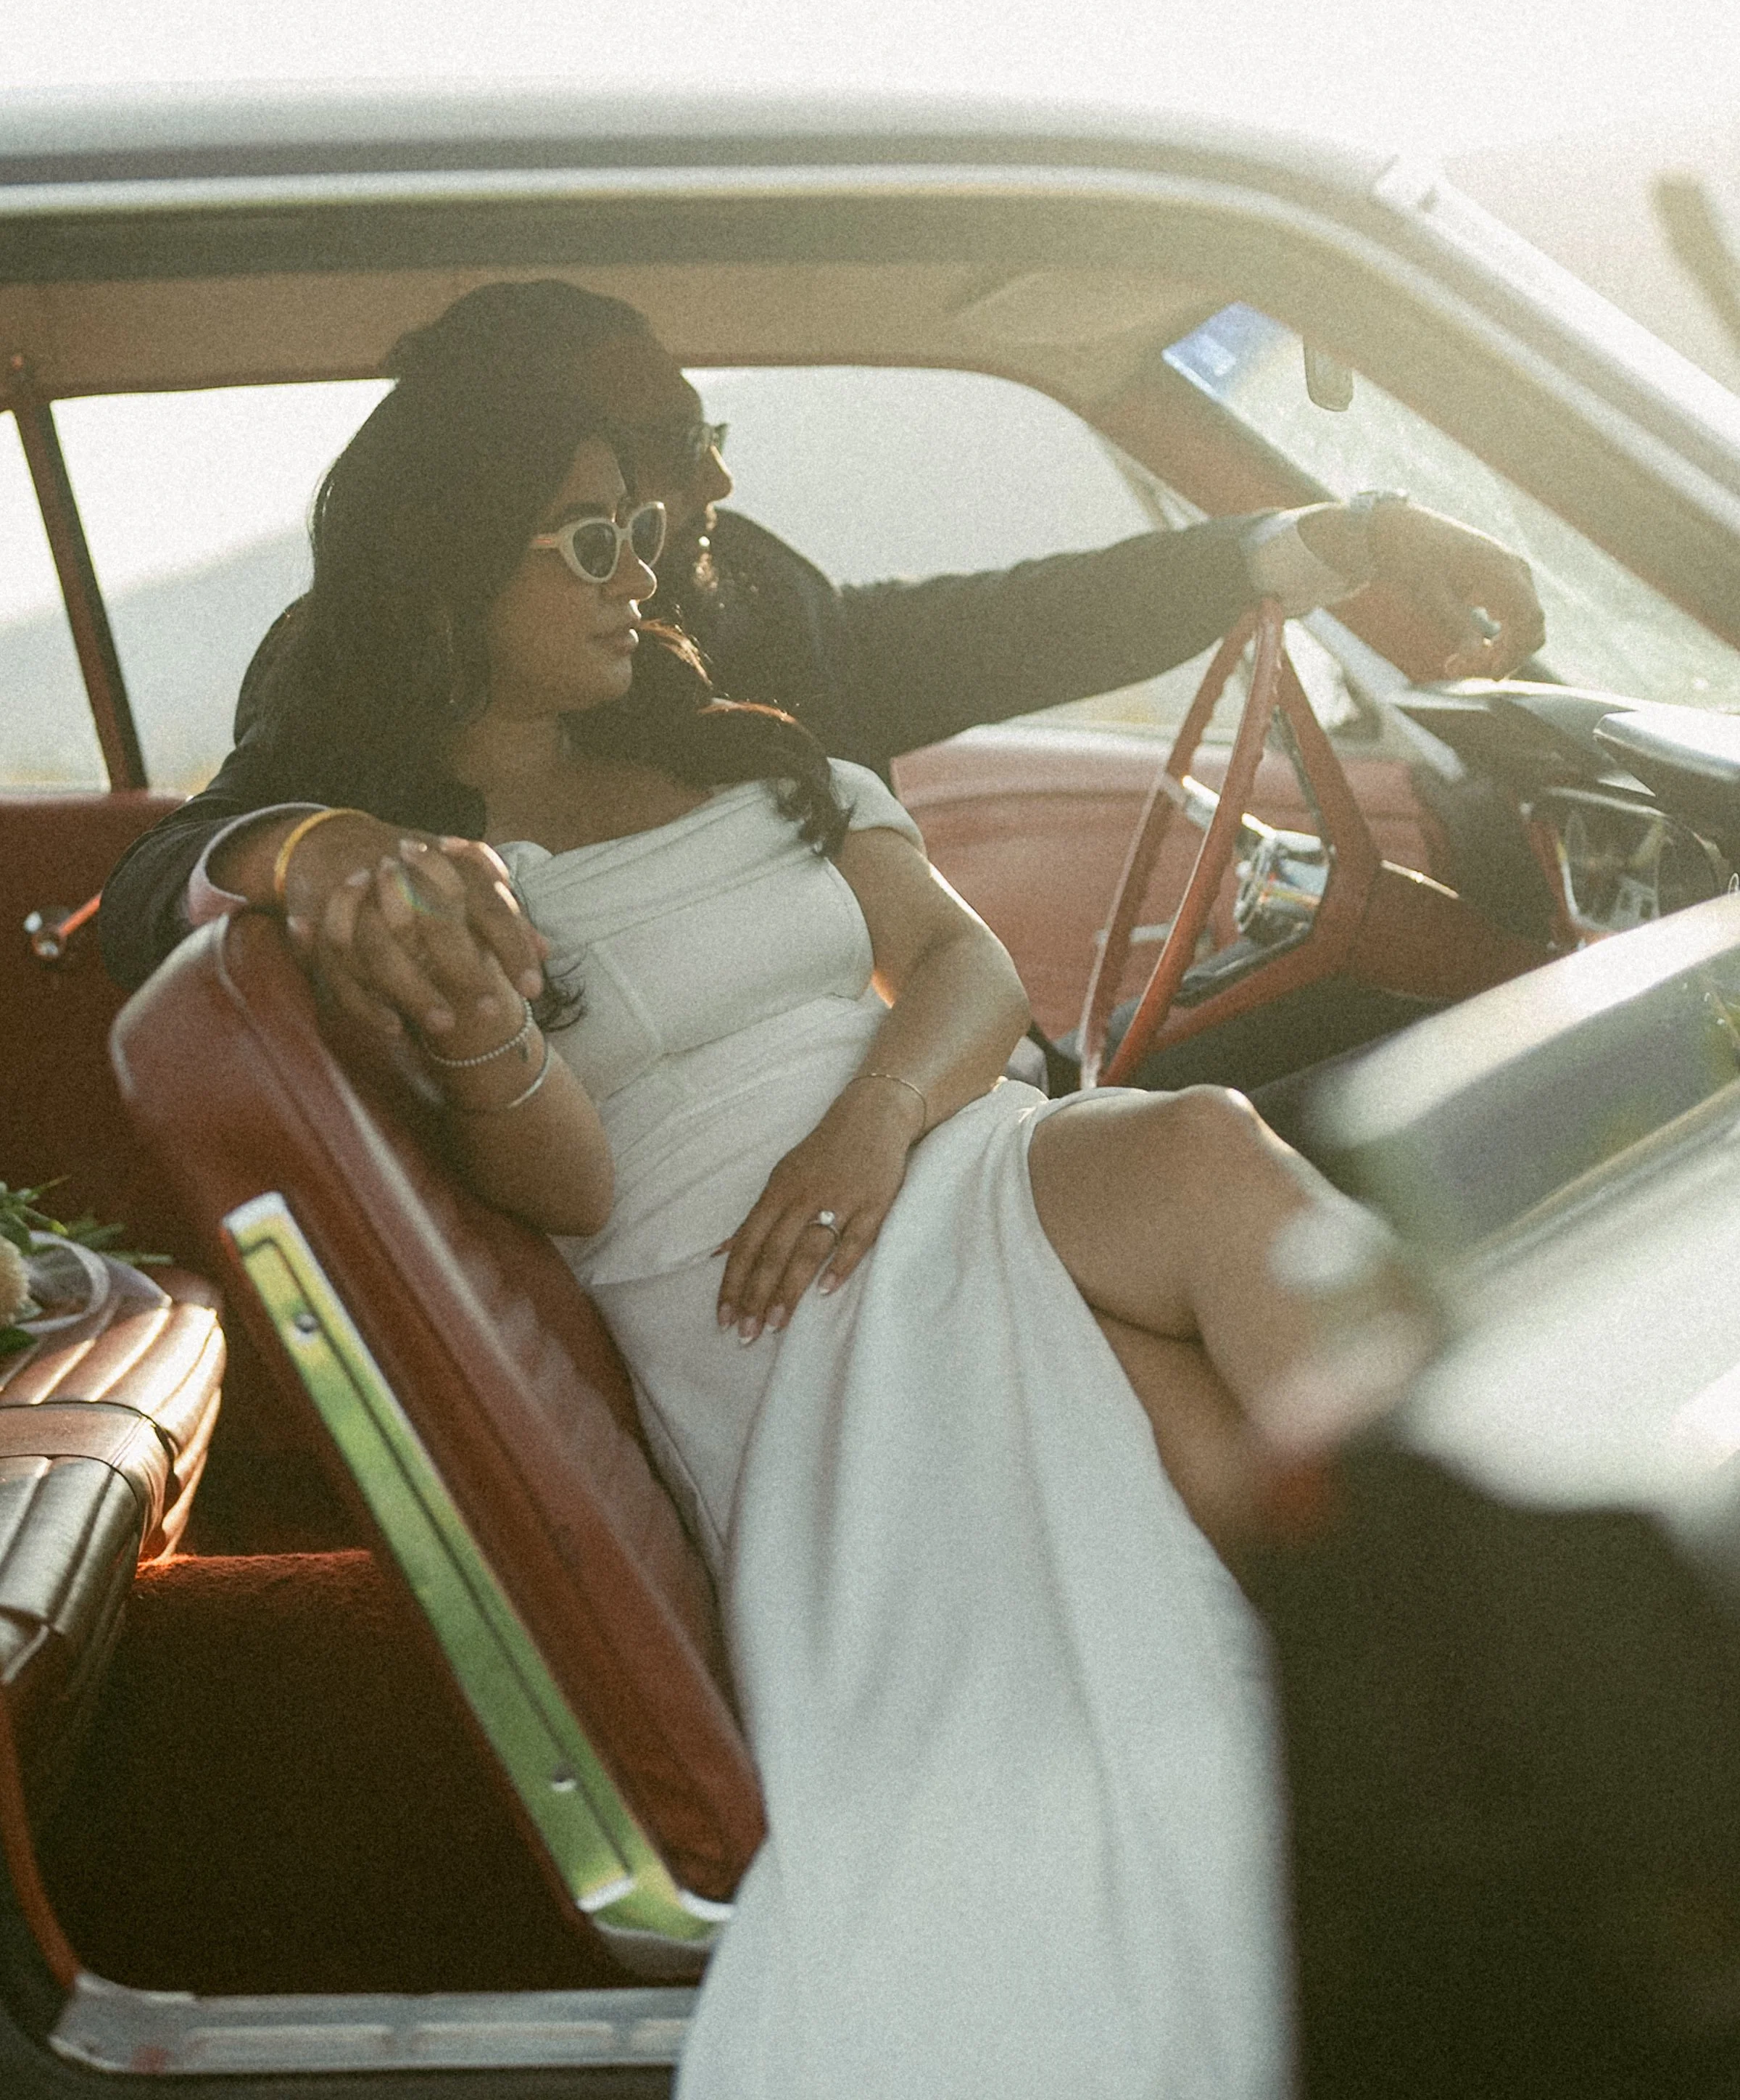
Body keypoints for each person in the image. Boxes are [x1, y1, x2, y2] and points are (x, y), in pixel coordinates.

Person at [157, 307, 1456, 2098]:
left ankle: (1503, 1610)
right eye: (598, 534)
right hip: (732, 1273)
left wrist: (870, 1131)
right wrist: (441, 997)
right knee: (1172, 1439)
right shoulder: (417, 861)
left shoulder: (750, 734)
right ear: (459, 562)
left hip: (923, 1141)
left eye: (654, 509)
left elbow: (967, 970)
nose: (657, 556)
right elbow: (561, 1175)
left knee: (1211, 1147)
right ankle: (1463, 1755)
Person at [96, 279, 1546, 1000]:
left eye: (706, 432)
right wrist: (307, 847)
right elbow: (161, 882)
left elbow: (1004, 625)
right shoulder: (372, 663)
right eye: (665, 448)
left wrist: (1342, 540)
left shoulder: (745, 600)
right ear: (518, 472)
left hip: (933, 1105)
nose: (713, 482)